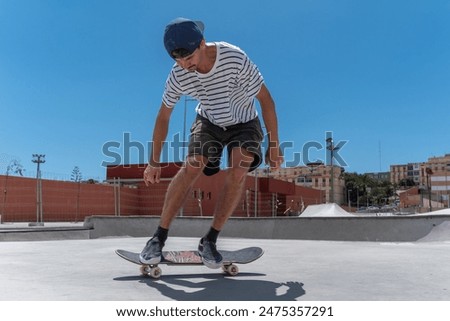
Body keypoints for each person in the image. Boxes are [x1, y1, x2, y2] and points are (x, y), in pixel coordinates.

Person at [140, 17, 283, 269]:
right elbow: (163, 115)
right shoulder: (177, 76)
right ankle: (158, 238)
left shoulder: (234, 58)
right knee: (193, 165)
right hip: (208, 121)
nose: (185, 66)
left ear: (202, 44)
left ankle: (210, 240)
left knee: (239, 169)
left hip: (244, 122)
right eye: (178, 61)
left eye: (189, 58)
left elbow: (266, 100)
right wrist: (154, 162)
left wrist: (274, 145)